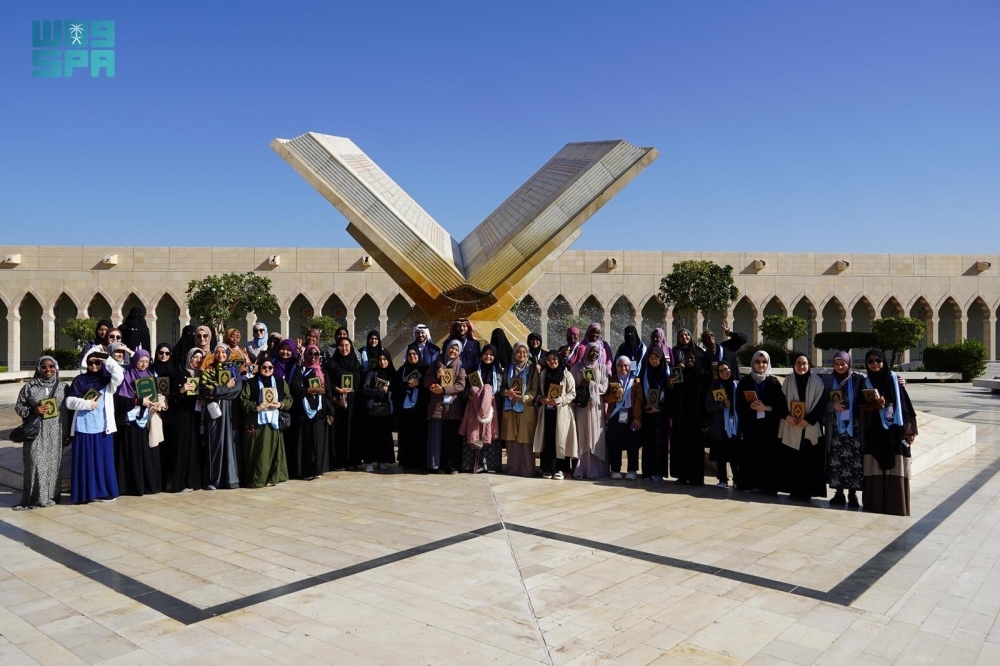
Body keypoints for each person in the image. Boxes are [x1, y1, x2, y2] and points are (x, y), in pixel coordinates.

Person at [861, 349, 917, 516]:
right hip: (874, 432)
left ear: (884, 361)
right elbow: (859, 408)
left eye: (878, 360)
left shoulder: (895, 380)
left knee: (896, 467)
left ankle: (895, 506)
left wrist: (909, 431)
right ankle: (876, 505)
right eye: (870, 361)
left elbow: (906, 407)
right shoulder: (865, 383)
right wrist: (874, 406)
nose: (875, 364)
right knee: (875, 466)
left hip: (895, 432)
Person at [67, 351, 124, 504]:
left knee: (103, 462)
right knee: (86, 463)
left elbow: (119, 375)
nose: (94, 366)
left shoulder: (107, 380)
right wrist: (87, 404)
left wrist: (107, 359)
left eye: (97, 363)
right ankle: (85, 494)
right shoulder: (79, 380)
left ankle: (104, 492)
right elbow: (69, 401)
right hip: (83, 427)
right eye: (90, 363)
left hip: (103, 427)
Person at [13, 356, 69, 510]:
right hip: (36, 432)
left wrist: (68, 433)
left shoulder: (63, 387)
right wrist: (34, 410)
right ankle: (33, 497)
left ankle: (49, 497)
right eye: (44, 366)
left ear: (56, 368)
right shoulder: (30, 387)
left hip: (56, 432)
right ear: (38, 368)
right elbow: (19, 407)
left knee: (52, 464)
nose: (48, 370)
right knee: (35, 462)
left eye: (51, 366)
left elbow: (68, 412)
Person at [778, 352, 828, 500]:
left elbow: (821, 405)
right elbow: (780, 401)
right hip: (792, 425)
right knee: (793, 461)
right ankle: (794, 491)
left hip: (809, 427)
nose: (801, 366)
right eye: (798, 363)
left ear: (809, 365)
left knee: (808, 461)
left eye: (804, 363)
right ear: (793, 365)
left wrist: (808, 420)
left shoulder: (818, 382)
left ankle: (807, 492)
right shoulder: (788, 381)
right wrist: (787, 416)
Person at [736, 351, 787, 494]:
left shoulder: (773, 382)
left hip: (768, 427)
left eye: (764, 362)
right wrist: (749, 406)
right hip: (751, 425)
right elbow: (738, 403)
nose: (761, 365)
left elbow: (781, 406)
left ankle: (767, 486)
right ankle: (749, 483)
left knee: (768, 456)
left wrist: (766, 408)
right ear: (753, 363)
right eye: (758, 362)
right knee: (751, 455)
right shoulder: (745, 382)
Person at [113, 349, 163, 495]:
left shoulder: (150, 377)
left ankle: (146, 485)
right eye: (141, 361)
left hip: (145, 421)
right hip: (129, 422)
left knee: (145, 454)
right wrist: (137, 401)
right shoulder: (126, 377)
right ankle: (131, 487)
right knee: (130, 454)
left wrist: (156, 404)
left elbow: (155, 396)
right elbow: (120, 401)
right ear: (135, 361)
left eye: (146, 361)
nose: (144, 364)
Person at [240, 357, 291, 488]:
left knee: (274, 450)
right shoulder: (251, 383)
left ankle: (273, 477)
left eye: (270, 367)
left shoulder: (279, 382)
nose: (267, 370)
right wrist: (256, 407)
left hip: (274, 423)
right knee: (260, 452)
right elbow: (243, 400)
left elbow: (289, 398)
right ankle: (258, 479)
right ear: (260, 368)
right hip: (258, 424)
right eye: (264, 367)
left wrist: (280, 404)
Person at [824, 351, 865, 507]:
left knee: (854, 460)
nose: (840, 367)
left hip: (854, 427)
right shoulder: (827, 380)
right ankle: (839, 493)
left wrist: (901, 381)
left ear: (849, 363)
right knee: (837, 460)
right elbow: (820, 403)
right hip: (835, 428)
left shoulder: (858, 379)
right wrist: (832, 406)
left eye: (843, 364)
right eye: (836, 364)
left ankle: (852, 494)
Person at [200, 344, 242, 490]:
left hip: (230, 411)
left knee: (231, 442)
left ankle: (231, 479)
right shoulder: (209, 369)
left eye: (223, 352)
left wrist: (216, 392)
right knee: (215, 442)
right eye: (217, 352)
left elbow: (236, 390)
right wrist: (225, 387)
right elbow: (206, 390)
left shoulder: (234, 369)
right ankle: (215, 480)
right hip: (215, 412)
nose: (220, 355)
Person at [288, 344, 331, 480]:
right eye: (310, 354)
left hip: (319, 412)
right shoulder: (300, 369)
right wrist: (312, 390)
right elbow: (295, 388)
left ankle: (317, 469)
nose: (312, 356)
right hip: (303, 412)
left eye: (315, 354)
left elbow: (327, 392)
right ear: (305, 354)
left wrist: (330, 411)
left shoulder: (322, 370)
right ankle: (304, 471)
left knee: (317, 442)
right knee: (305, 442)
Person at [668, 348, 710, 485]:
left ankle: (696, 478)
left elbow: (708, 398)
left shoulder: (705, 376)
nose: (690, 360)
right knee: (682, 447)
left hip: (697, 419)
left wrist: (706, 418)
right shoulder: (680, 374)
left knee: (696, 448)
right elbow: (674, 395)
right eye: (687, 358)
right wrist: (671, 385)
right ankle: (682, 476)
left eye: (692, 358)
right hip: (683, 418)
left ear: (697, 358)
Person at [533, 350, 577, 480]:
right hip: (547, 412)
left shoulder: (566, 374)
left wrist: (559, 400)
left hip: (561, 412)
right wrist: (541, 398)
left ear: (559, 360)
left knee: (561, 440)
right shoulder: (544, 374)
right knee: (548, 440)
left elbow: (572, 393)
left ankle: (561, 469)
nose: (552, 362)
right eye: (550, 359)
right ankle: (548, 469)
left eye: (555, 359)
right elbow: (538, 392)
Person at [425, 339, 467, 473]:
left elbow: (460, 385)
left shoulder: (461, 365)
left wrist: (443, 390)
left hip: (453, 407)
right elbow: (426, 381)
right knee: (438, 437)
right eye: (451, 348)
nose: (453, 351)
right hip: (437, 406)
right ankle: (438, 465)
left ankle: (452, 466)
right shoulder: (436, 364)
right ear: (447, 348)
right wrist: (436, 377)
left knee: (452, 438)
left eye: (456, 349)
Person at [460, 344, 501, 473]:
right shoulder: (473, 368)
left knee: (489, 434)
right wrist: (470, 395)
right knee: (474, 432)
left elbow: (499, 389)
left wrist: (488, 398)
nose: (488, 357)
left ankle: (490, 465)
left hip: (492, 408)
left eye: (491, 355)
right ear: (481, 355)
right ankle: (471, 464)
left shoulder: (498, 370)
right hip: (473, 406)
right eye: (486, 354)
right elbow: (466, 386)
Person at [572, 342, 609, 479]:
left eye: (597, 351)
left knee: (595, 436)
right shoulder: (577, 367)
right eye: (592, 351)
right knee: (583, 434)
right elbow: (570, 386)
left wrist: (591, 384)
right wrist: (581, 384)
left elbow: (604, 387)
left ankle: (596, 469)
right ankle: (581, 469)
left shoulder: (602, 368)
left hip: (596, 408)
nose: (594, 354)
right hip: (581, 407)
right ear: (586, 351)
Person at [502, 342, 540, 477]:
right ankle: (513, 468)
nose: (521, 354)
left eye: (524, 352)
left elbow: (534, 389)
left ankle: (527, 469)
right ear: (514, 353)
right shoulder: (508, 368)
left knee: (526, 438)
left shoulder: (532, 369)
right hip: (510, 406)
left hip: (526, 407)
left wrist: (523, 398)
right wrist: (507, 392)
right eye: (519, 351)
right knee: (512, 438)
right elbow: (502, 387)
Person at [325, 337, 363, 469]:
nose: (344, 348)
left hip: (355, 404)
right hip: (339, 404)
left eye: (347, 345)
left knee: (353, 431)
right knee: (339, 432)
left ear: (351, 347)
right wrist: (338, 389)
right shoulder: (332, 364)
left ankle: (353, 461)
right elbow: (327, 383)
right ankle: (339, 461)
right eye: (341, 345)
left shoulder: (357, 365)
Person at [633, 347, 670, 482]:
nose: (654, 361)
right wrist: (646, 408)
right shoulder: (644, 373)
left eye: (656, 358)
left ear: (661, 359)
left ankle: (658, 472)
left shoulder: (667, 375)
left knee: (660, 444)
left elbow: (671, 396)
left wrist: (660, 409)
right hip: (648, 414)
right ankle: (647, 472)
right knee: (648, 444)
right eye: (651, 358)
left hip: (661, 416)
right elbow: (640, 395)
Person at [170, 349, 205, 492]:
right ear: (189, 358)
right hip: (183, 415)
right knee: (183, 447)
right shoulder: (181, 374)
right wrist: (182, 390)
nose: (198, 360)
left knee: (195, 447)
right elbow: (172, 397)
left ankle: (193, 482)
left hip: (197, 415)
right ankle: (180, 483)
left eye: (200, 357)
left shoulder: (204, 375)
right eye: (195, 357)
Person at [705, 360, 740, 489]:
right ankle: (722, 479)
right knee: (721, 454)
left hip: (735, 425)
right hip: (720, 425)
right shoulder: (715, 386)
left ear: (731, 369)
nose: (724, 373)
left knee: (735, 454)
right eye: (720, 371)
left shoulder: (737, 385)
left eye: (726, 369)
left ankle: (737, 479)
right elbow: (708, 406)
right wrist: (722, 405)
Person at [395, 345, 430, 470]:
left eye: (414, 354)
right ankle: (407, 462)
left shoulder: (425, 368)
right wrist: (406, 385)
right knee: (406, 435)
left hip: (420, 409)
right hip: (406, 411)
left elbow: (429, 387)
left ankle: (420, 462)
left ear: (419, 355)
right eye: (409, 354)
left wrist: (418, 383)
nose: (412, 356)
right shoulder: (402, 369)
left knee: (420, 435)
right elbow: (395, 386)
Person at [361, 350, 396, 471]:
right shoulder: (372, 373)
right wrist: (379, 391)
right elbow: (364, 389)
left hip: (386, 409)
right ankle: (369, 462)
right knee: (372, 436)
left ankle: (382, 460)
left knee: (384, 436)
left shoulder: (392, 373)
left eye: (385, 359)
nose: (382, 362)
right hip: (373, 408)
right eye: (380, 359)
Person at [605, 356, 639, 480]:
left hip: (631, 414)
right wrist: (615, 395)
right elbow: (606, 398)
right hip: (615, 414)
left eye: (626, 365)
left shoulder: (636, 381)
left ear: (630, 367)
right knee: (615, 443)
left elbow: (639, 401)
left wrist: (637, 417)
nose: (623, 368)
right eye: (620, 365)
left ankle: (632, 470)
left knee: (632, 444)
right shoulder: (612, 380)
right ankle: (615, 469)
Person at [151, 343, 176, 490]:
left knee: (169, 447)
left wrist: (169, 397)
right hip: (154, 412)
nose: (164, 356)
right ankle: (157, 480)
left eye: (167, 353)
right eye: (161, 353)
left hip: (170, 414)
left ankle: (168, 479)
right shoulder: (151, 369)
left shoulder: (174, 370)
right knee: (156, 446)